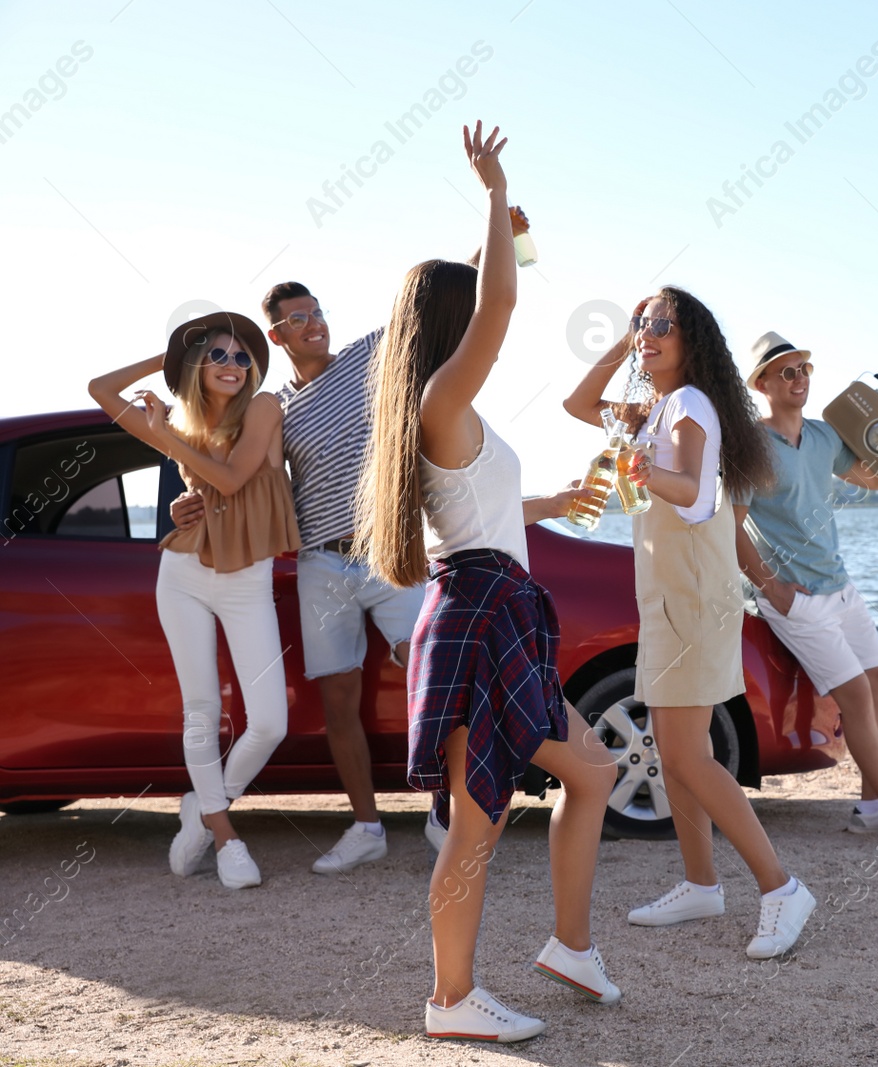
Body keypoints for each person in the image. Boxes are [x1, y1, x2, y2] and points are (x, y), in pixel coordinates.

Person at [356, 121, 617, 1043]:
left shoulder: (447, 416)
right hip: (479, 617)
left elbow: (486, 512)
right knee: (477, 828)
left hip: (499, 609)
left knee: (595, 771)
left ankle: (571, 946)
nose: (482, 323)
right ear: (447, 325)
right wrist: (497, 197)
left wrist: (556, 497)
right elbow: (497, 313)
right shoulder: (440, 403)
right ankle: (452, 999)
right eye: (465, 310)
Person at [171, 219, 535, 875]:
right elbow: (244, 472)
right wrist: (190, 495)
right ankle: (366, 824)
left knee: (433, 671)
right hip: (321, 561)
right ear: (277, 336)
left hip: (387, 550)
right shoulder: (273, 406)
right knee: (340, 696)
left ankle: (447, 808)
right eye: (298, 319)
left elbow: (440, 294)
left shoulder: (374, 354)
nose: (314, 324)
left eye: (316, 312)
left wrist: (495, 236)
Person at [564, 289, 816, 961]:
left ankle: (782, 886)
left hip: (694, 602)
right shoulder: (658, 406)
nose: (650, 334)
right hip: (671, 598)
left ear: (692, 339)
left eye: (661, 326)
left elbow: (698, 495)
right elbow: (579, 405)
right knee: (677, 753)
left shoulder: (692, 405)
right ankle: (702, 882)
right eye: (644, 324)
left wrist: (651, 472)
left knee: (685, 756)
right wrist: (625, 344)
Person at [89, 311, 300, 889]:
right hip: (183, 570)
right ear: (196, 367)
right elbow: (100, 390)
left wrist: (166, 438)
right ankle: (226, 837)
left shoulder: (262, 409)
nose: (232, 365)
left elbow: (231, 480)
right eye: (217, 355)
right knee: (201, 709)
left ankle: (203, 809)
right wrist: (167, 360)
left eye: (241, 356)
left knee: (269, 723)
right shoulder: (178, 420)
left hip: (247, 578)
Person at [734, 332, 878, 844]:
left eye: (804, 370)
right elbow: (732, 528)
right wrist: (773, 591)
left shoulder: (823, 436)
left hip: (839, 584)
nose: (798, 379)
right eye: (786, 372)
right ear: (763, 384)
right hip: (795, 599)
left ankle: (869, 809)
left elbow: (874, 479)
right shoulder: (749, 445)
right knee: (857, 695)